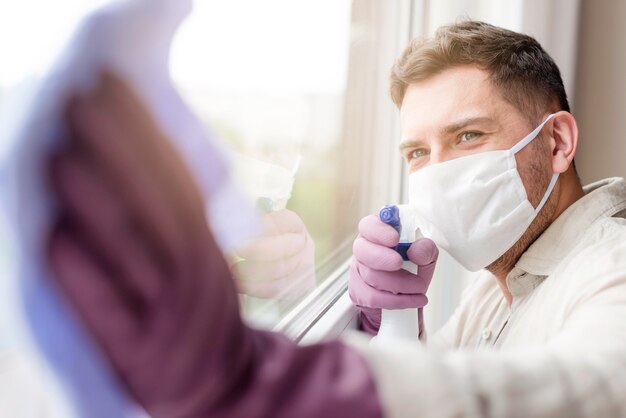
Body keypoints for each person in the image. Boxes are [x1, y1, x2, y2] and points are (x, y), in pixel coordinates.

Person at [45, 21, 626, 418]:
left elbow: (595, 388)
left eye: (467, 136)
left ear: (556, 142)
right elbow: (451, 380)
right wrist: (389, 325)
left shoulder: (611, 264)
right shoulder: (499, 283)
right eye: (418, 154)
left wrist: (261, 381)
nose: (437, 173)